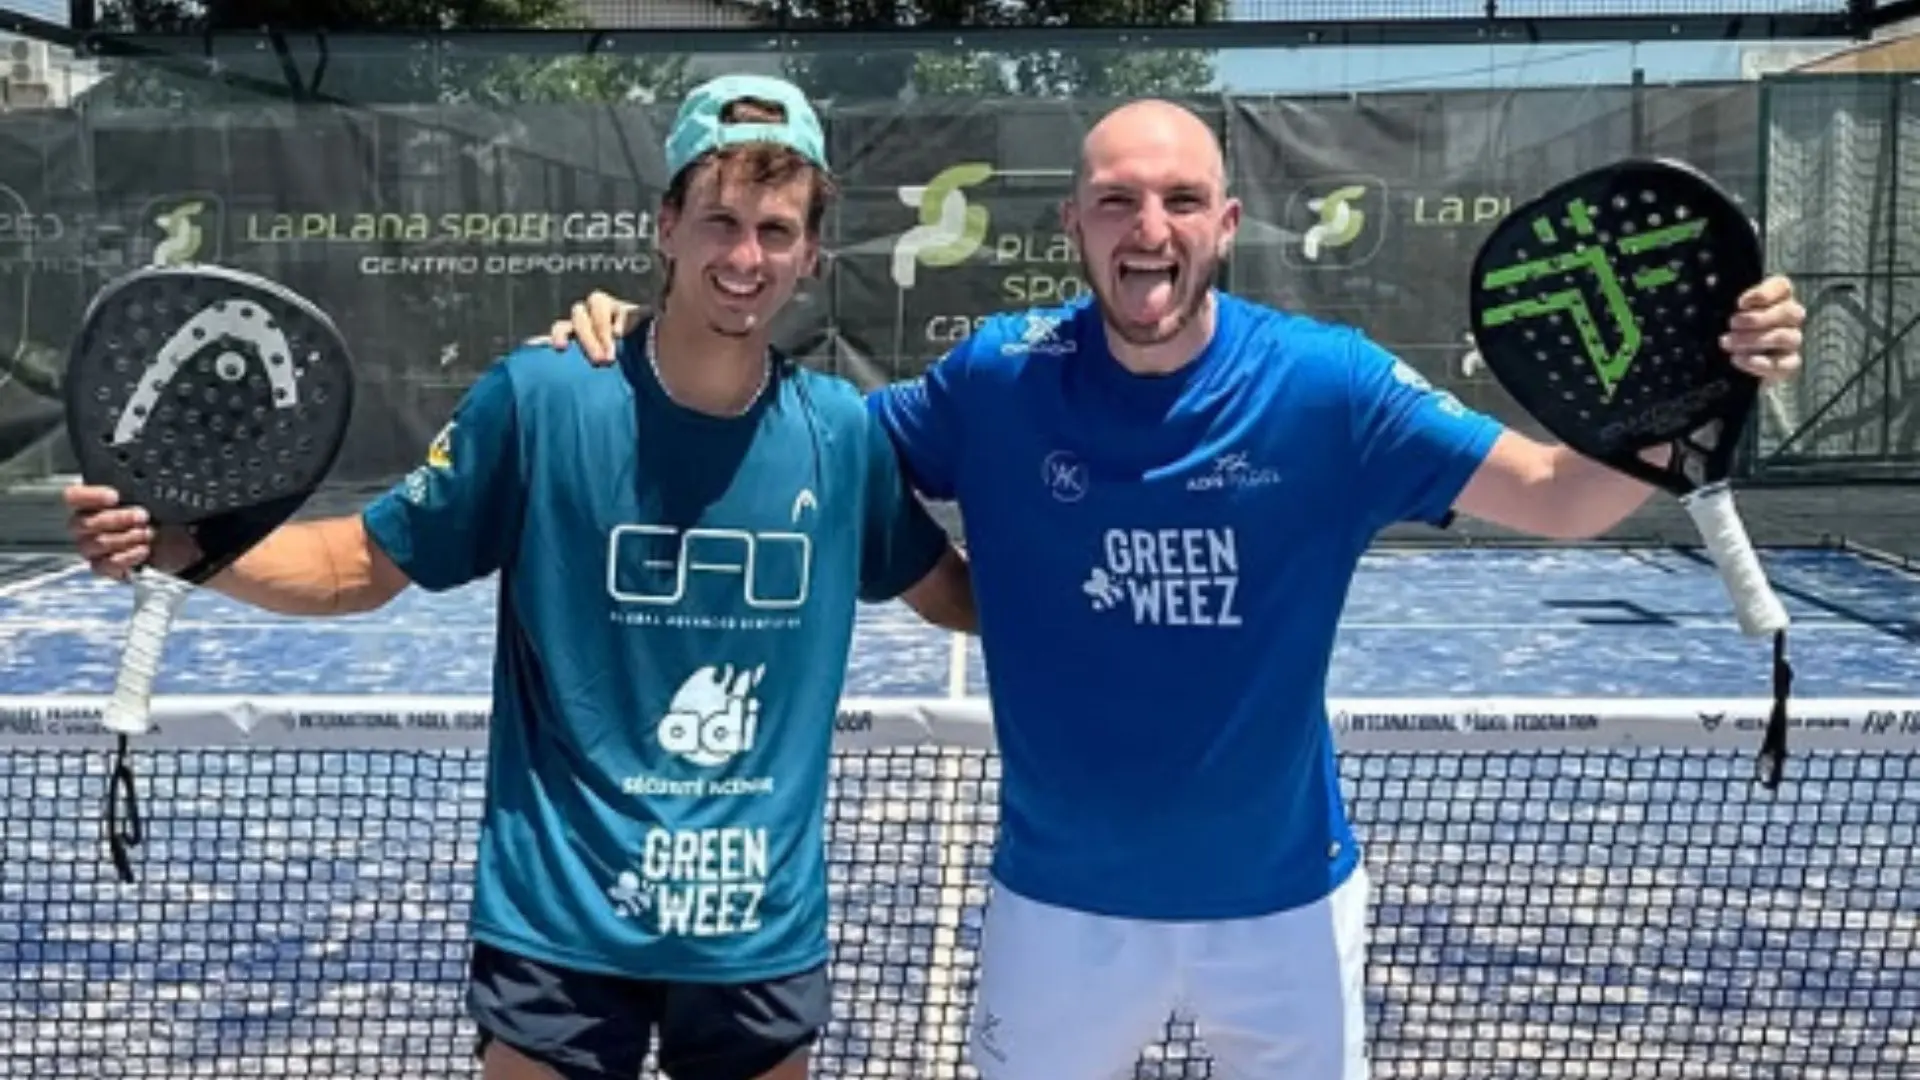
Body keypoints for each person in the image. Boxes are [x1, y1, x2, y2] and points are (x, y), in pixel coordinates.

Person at [551, 100, 1808, 1080]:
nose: (1147, 228)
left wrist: (1705, 382)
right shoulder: (997, 378)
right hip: (1057, 913)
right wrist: (637, 340)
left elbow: (1556, 495)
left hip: (1287, 916)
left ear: (1226, 221)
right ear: (1075, 226)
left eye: (1180, 200)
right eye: (1116, 200)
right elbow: (793, 446)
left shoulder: (1328, 386)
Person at [63, 75, 977, 1080]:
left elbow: (955, 594)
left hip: (753, 929)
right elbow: (360, 564)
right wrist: (186, 548)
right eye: (720, 221)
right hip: (559, 925)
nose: (744, 257)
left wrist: (1104, 595)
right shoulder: (541, 399)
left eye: (775, 230)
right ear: (666, 226)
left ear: (810, 253)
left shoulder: (842, 437)